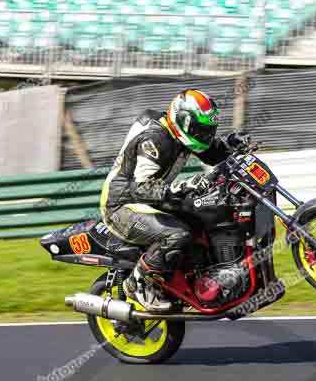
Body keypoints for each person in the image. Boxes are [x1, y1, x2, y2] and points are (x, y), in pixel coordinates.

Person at [99, 89, 247, 312]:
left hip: (153, 200)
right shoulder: (155, 140)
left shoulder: (180, 134)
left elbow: (212, 152)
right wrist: (182, 186)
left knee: (205, 215)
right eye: (200, 129)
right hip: (122, 205)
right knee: (177, 234)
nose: (205, 134)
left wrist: (233, 145)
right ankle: (138, 284)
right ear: (183, 120)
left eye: (208, 129)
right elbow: (140, 188)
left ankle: (200, 280)